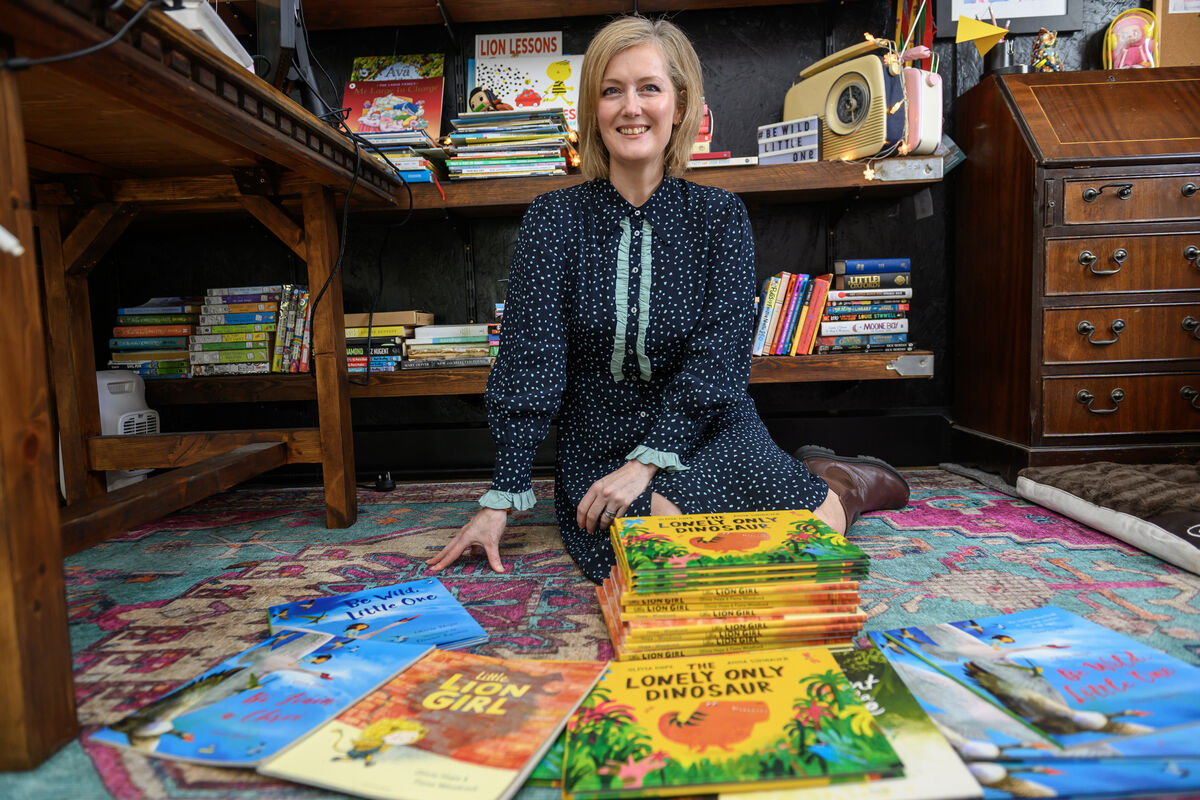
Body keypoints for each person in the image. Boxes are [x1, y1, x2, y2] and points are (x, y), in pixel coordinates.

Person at [427, 15, 909, 583]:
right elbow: (531, 359)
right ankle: (799, 473)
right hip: (599, 440)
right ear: (593, 110)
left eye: (649, 88)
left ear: (679, 106)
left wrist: (648, 463)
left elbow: (721, 355)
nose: (630, 107)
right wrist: (501, 496)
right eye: (612, 91)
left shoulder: (720, 217)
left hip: (709, 425)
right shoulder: (552, 220)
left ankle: (841, 485)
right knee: (664, 548)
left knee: (814, 539)